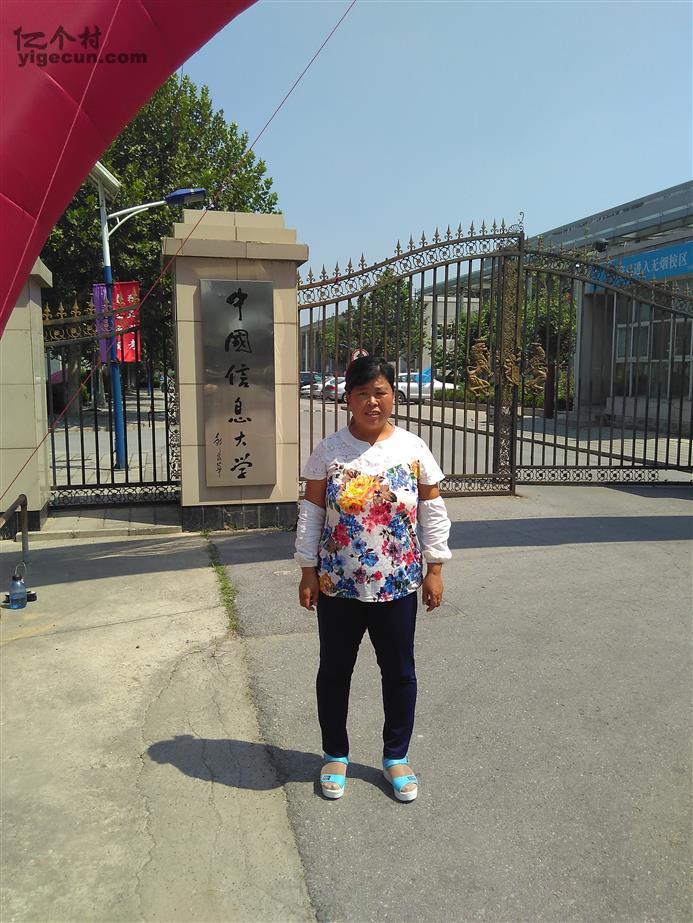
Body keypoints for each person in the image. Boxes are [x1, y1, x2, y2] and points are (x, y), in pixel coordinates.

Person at [294, 356, 452, 802]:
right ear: (347, 398)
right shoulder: (328, 451)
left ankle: (396, 756)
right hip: (338, 585)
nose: (372, 402)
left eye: (380, 392)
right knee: (334, 671)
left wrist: (435, 568)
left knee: (399, 673)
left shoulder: (413, 448)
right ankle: (335, 755)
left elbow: (432, 511)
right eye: (362, 393)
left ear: (393, 396)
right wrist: (307, 570)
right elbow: (312, 513)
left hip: (397, 585)